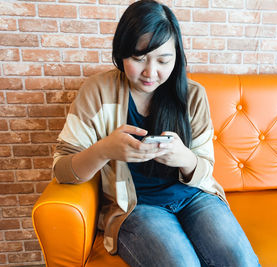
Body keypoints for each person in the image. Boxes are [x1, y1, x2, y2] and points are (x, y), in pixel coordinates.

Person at [53, 0, 259, 266]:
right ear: (121, 53)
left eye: (163, 60)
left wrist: (183, 157)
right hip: (138, 208)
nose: (151, 72)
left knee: (241, 261)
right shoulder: (97, 92)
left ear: (177, 56)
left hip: (195, 197)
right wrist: (104, 150)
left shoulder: (192, 95)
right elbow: (62, 170)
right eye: (139, 58)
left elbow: (205, 168)